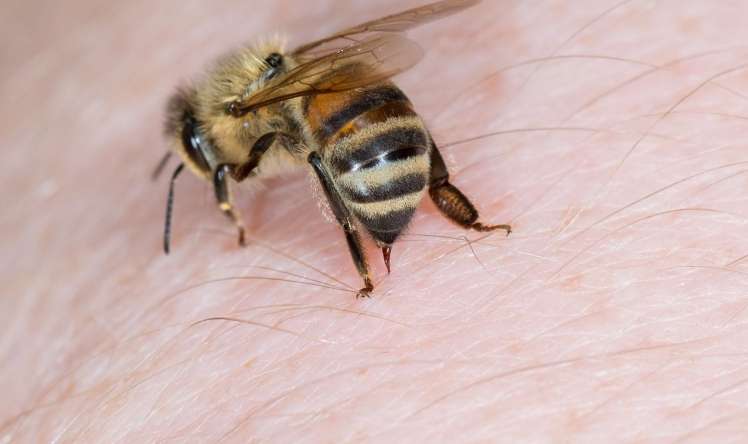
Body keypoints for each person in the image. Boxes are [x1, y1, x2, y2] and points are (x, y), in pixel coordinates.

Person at [3, 0, 747, 441]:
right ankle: (459, 214)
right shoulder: (283, 78)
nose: (213, 167)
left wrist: (232, 206)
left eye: (205, 158)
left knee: (333, 147)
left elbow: (267, 156)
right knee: (349, 130)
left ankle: (368, 261)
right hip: (371, 111)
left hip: (361, 142)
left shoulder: (244, 116)